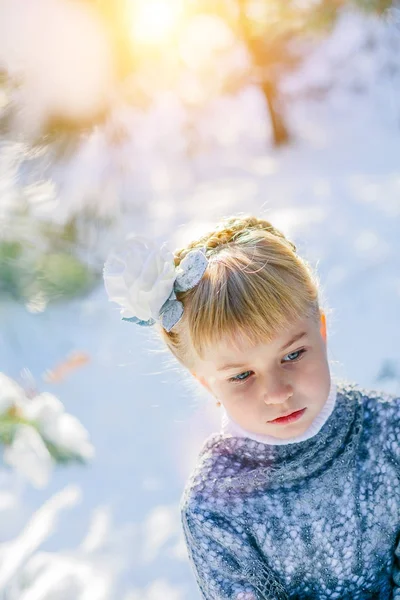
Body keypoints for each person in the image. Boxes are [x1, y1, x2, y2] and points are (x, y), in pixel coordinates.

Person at [103, 214, 400, 599]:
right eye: (242, 376)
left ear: (322, 332)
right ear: (206, 383)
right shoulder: (214, 505)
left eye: (293, 354)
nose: (277, 392)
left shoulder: (389, 429)